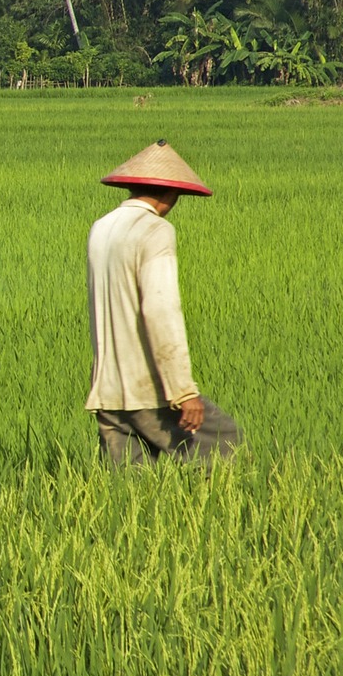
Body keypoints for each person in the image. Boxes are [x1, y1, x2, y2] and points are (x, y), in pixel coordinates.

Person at [86, 140, 242, 465]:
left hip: (107, 386)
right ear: (170, 193)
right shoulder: (154, 229)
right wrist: (183, 391)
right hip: (147, 387)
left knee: (128, 491)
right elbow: (160, 310)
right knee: (226, 444)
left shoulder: (101, 227)